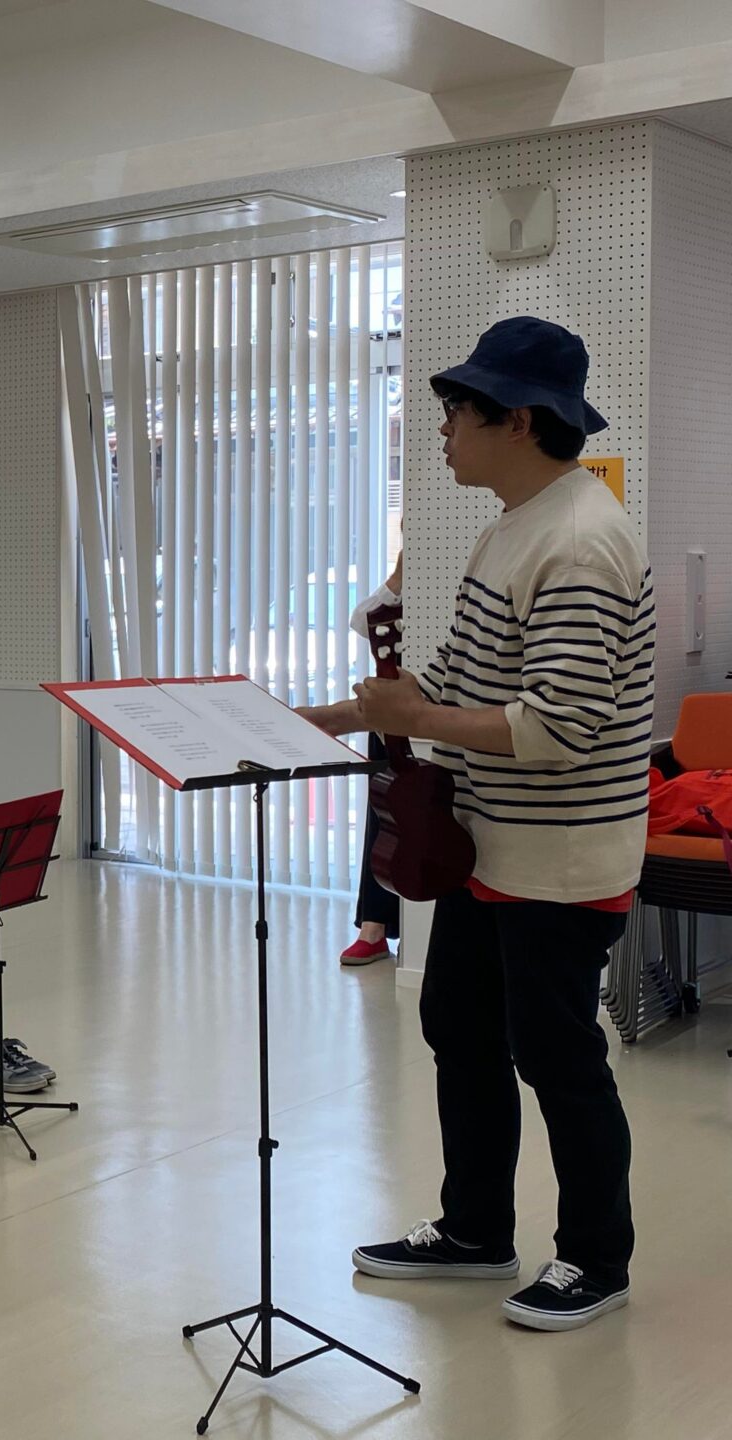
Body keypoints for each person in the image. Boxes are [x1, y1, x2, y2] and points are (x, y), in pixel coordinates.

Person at [303, 317, 652, 1332]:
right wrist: (328, 717)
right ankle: (474, 1231)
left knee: (558, 1058)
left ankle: (596, 1259)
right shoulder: (512, 526)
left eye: (458, 410)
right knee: (458, 1028)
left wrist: (415, 719)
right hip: (487, 844)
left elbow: (561, 725)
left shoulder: (581, 540)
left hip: (558, 857)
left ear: (521, 420)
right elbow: (454, 679)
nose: (444, 429)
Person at [342, 548, 404, 967]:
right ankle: (374, 926)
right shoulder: (402, 586)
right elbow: (361, 620)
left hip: (433, 709)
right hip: (389, 710)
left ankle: (400, 926)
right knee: (383, 814)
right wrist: (398, 577)